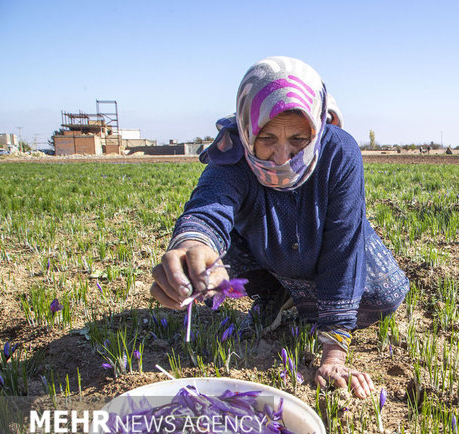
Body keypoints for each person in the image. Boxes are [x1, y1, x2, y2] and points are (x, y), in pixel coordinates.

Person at [150, 56, 409, 399]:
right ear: (247, 129)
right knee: (212, 269)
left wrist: (334, 352)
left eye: (299, 139)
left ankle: (298, 295)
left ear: (316, 129)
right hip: (265, 245)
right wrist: (192, 245)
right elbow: (209, 207)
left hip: (323, 241)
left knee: (382, 296)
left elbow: (343, 247)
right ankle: (277, 291)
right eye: (267, 137)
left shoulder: (339, 152)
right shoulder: (233, 155)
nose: (282, 156)